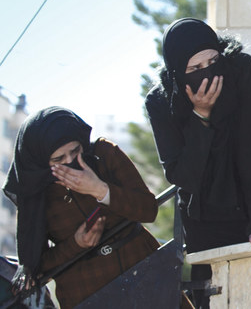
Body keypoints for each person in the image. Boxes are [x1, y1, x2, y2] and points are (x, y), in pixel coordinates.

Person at [145, 18, 251, 308]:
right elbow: (181, 173)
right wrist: (201, 117)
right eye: (195, 70)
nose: (207, 74)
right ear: (176, 72)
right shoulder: (161, 101)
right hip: (209, 219)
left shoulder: (241, 70)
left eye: (213, 61)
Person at [2, 107, 189, 309]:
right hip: (85, 291)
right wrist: (76, 244)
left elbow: (148, 210)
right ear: (40, 162)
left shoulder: (103, 154)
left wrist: (100, 189)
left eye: (75, 152)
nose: (70, 162)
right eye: (58, 160)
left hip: (141, 269)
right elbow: (36, 266)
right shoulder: (34, 193)